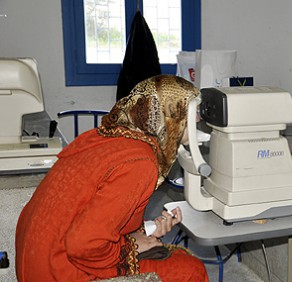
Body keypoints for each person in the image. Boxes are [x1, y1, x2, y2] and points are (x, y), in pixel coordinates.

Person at [16, 75, 209, 281]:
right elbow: (83, 244)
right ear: (171, 115)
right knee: (189, 269)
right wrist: (132, 247)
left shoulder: (110, 136)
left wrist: (147, 229)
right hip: (59, 269)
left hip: (36, 258)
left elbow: (94, 214)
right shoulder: (140, 162)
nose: (198, 119)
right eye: (193, 111)